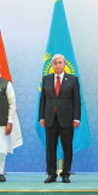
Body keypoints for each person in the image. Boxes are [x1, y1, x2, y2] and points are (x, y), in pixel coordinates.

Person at [38, 54, 81, 183]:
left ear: (64, 64)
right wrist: (41, 117)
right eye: (55, 63)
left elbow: (77, 101)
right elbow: (43, 100)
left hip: (67, 119)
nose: (58, 65)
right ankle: (51, 174)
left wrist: (76, 118)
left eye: (60, 62)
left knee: (67, 147)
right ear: (52, 65)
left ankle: (66, 173)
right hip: (50, 119)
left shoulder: (73, 79)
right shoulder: (46, 79)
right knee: (50, 147)